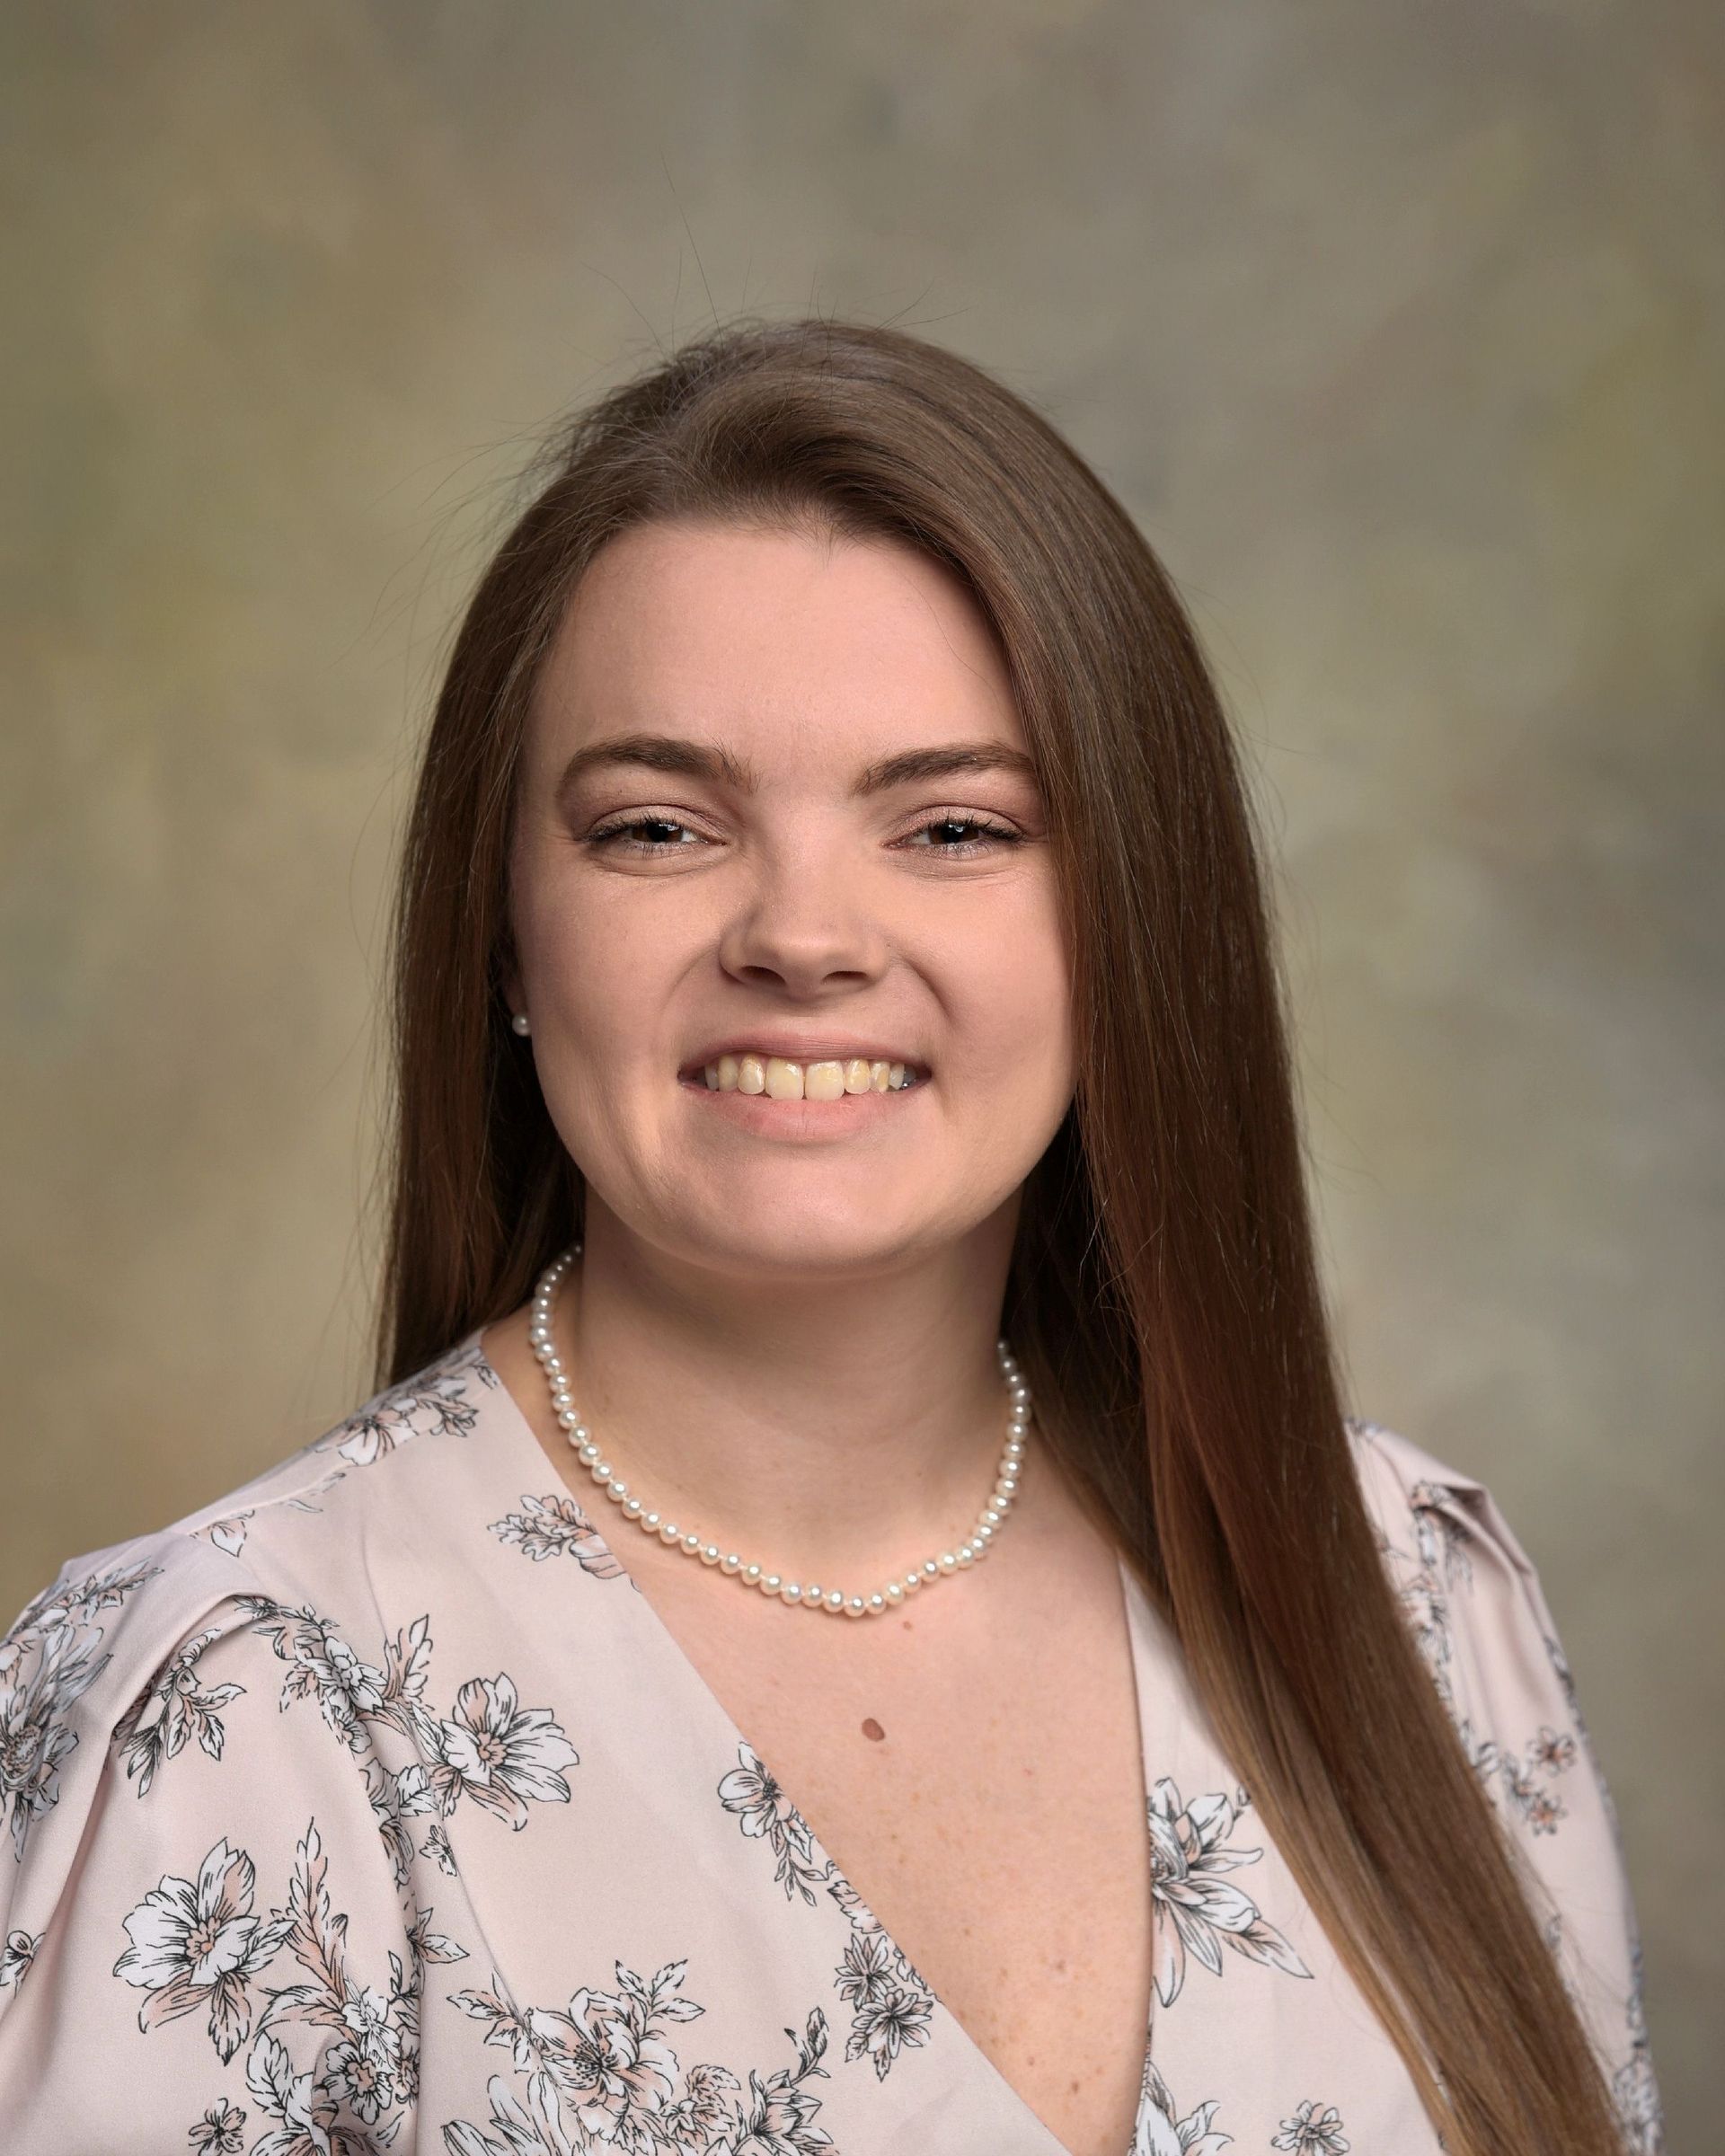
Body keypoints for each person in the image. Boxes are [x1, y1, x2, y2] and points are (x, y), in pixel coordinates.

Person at [0, 318, 1660, 2156]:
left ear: (1127, 923)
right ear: (504, 941)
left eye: (952, 826)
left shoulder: (1414, 1607)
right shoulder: (244, 1707)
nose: (804, 936)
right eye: (657, 826)